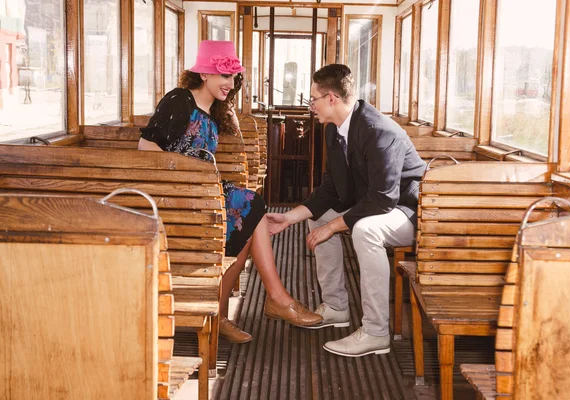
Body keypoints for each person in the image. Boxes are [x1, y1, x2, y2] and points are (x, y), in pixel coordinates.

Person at [138, 40, 322, 343]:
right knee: (252, 206)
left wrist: (229, 109)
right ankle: (273, 300)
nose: (230, 83)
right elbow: (146, 146)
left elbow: (232, 140)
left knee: (250, 218)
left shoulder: (214, 111)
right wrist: (184, 178)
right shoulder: (180, 99)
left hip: (202, 196)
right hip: (175, 198)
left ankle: (228, 313)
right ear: (203, 75)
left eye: (234, 77)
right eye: (223, 76)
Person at [267, 64, 426, 357]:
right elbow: (331, 189)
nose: (310, 106)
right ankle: (337, 307)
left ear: (331, 99)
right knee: (320, 217)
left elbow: (383, 199)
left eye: (312, 99)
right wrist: (290, 217)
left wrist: (334, 226)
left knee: (365, 230)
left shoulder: (378, 131)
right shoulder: (334, 130)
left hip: (411, 211)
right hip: (380, 204)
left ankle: (376, 332)